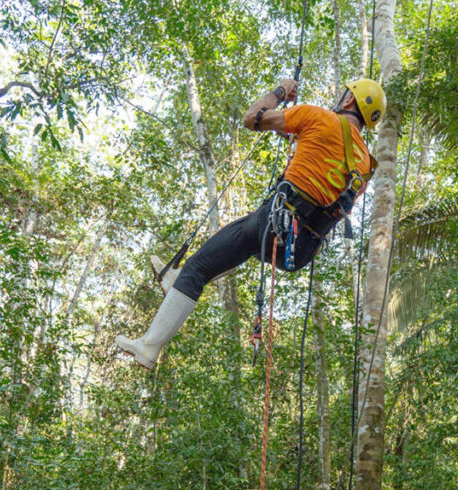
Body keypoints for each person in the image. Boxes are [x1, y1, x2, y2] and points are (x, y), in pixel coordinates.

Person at [115, 77, 386, 369]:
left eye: (343, 94)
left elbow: (252, 118)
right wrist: (295, 134)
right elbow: (324, 174)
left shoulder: (317, 117)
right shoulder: (364, 166)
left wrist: (280, 92)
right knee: (236, 249)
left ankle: (149, 347)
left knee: (199, 268)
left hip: (275, 224)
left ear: (348, 100)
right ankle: (174, 279)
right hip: (300, 251)